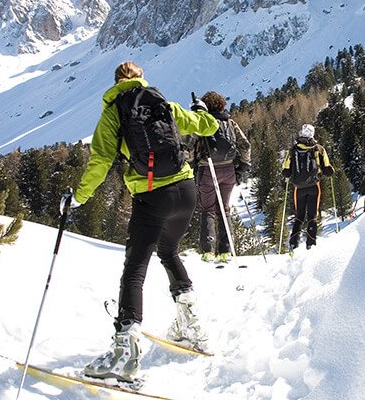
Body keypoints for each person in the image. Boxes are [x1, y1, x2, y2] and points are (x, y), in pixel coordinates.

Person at [69, 61, 218, 383]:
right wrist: (201, 110)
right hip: (186, 190)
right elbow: (207, 127)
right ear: (141, 78)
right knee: (169, 252)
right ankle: (191, 325)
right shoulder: (163, 103)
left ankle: (125, 351)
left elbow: (100, 159)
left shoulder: (114, 112)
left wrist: (79, 197)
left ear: (116, 82)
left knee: (135, 267)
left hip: (153, 197)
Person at [188, 91, 251, 263]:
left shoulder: (203, 123)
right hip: (229, 169)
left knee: (207, 210)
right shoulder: (230, 123)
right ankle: (226, 251)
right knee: (224, 209)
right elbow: (245, 144)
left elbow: (190, 146)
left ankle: (208, 251)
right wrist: (243, 165)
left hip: (207, 169)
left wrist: (190, 164)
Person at [281, 124, 334, 253]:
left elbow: (285, 170)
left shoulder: (293, 150)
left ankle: (293, 244)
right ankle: (311, 244)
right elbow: (327, 168)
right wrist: (330, 172)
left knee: (299, 215)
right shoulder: (319, 149)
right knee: (312, 216)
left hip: (298, 188)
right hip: (314, 186)